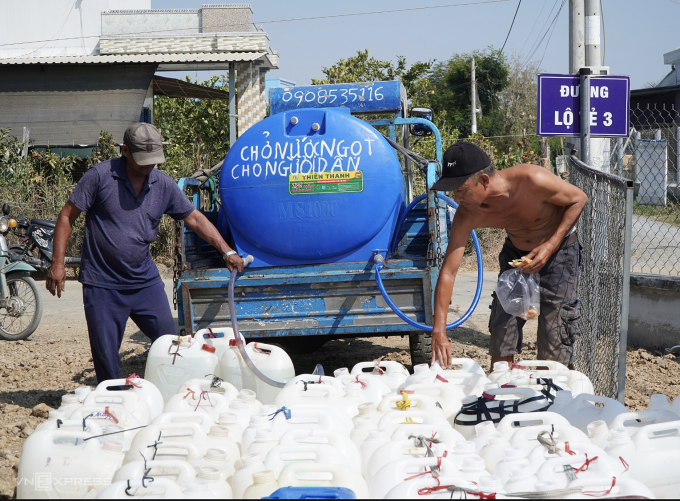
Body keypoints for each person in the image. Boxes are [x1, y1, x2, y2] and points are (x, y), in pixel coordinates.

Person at [45, 123, 244, 383]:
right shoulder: (100, 176)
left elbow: (193, 218)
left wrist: (226, 250)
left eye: (154, 160)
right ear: (125, 150)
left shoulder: (163, 184)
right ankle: (113, 404)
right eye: (143, 160)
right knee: (106, 359)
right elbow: (66, 216)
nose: (149, 166)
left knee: (173, 344)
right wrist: (57, 263)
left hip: (144, 282)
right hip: (102, 285)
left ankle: (176, 392)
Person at [430, 142, 587, 369]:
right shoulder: (468, 215)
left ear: (484, 180)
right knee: (503, 330)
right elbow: (448, 272)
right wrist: (439, 329)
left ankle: (553, 394)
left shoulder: (531, 180)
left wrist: (550, 246)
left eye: (461, 190)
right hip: (516, 257)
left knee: (555, 333)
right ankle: (502, 390)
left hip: (559, 254)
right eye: (454, 191)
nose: (457, 197)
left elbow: (579, 198)